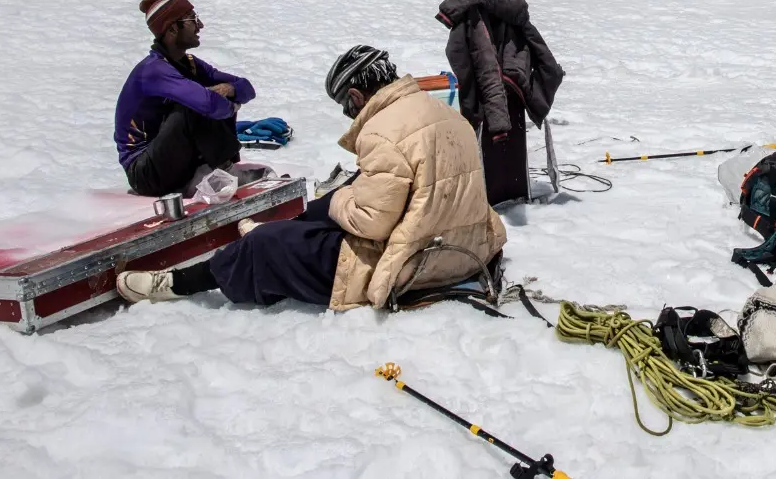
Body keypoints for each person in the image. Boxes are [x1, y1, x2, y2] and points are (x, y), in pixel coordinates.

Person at [116, 46, 507, 310]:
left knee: (268, 246)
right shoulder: (442, 114)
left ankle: (177, 284)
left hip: (413, 265)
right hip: (465, 246)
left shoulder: (383, 131)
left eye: (345, 107)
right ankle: (289, 228)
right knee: (342, 194)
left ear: (355, 96)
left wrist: (340, 200)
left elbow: (371, 222)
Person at [115, 0, 256, 197]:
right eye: (193, 19)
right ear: (172, 28)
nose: (200, 25)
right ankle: (224, 171)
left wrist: (230, 90)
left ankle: (213, 171)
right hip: (145, 173)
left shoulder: (190, 64)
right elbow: (207, 104)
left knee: (208, 98)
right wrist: (229, 105)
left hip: (172, 162)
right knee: (194, 105)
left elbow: (246, 87)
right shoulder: (153, 70)